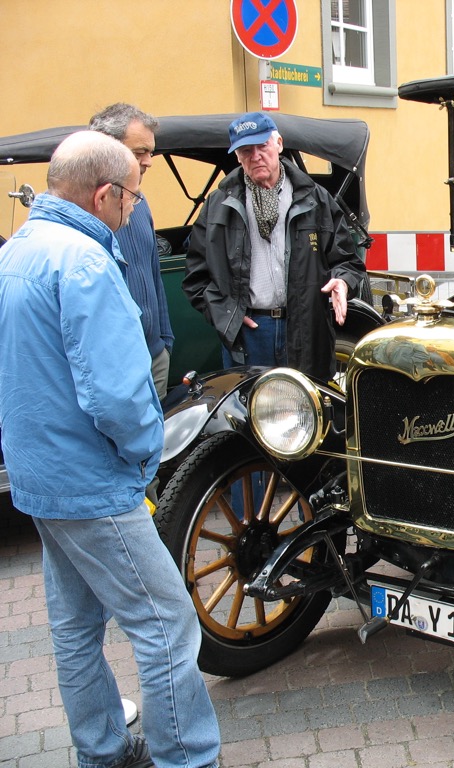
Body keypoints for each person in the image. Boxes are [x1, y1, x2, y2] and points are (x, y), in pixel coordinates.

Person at [0, 131, 220, 768]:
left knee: (75, 628)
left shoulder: (19, 250)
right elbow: (119, 399)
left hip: (39, 472)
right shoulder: (88, 264)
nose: (133, 208)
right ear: (105, 194)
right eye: (132, 194)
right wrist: (145, 456)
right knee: (167, 623)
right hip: (91, 479)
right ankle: (187, 758)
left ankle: (100, 750)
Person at [183, 111, 366, 380]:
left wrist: (342, 282)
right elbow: (195, 278)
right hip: (250, 332)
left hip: (304, 328)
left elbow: (347, 260)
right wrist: (228, 316)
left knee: (307, 412)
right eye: (246, 150)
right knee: (251, 414)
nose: (256, 155)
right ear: (237, 156)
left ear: (278, 144)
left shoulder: (314, 198)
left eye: (262, 146)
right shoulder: (218, 206)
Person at [89, 103, 175, 399]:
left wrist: (164, 340)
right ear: (107, 148)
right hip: (116, 365)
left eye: (150, 152)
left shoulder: (140, 203)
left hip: (153, 353)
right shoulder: (85, 212)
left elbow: (152, 274)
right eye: (140, 152)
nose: (149, 161)